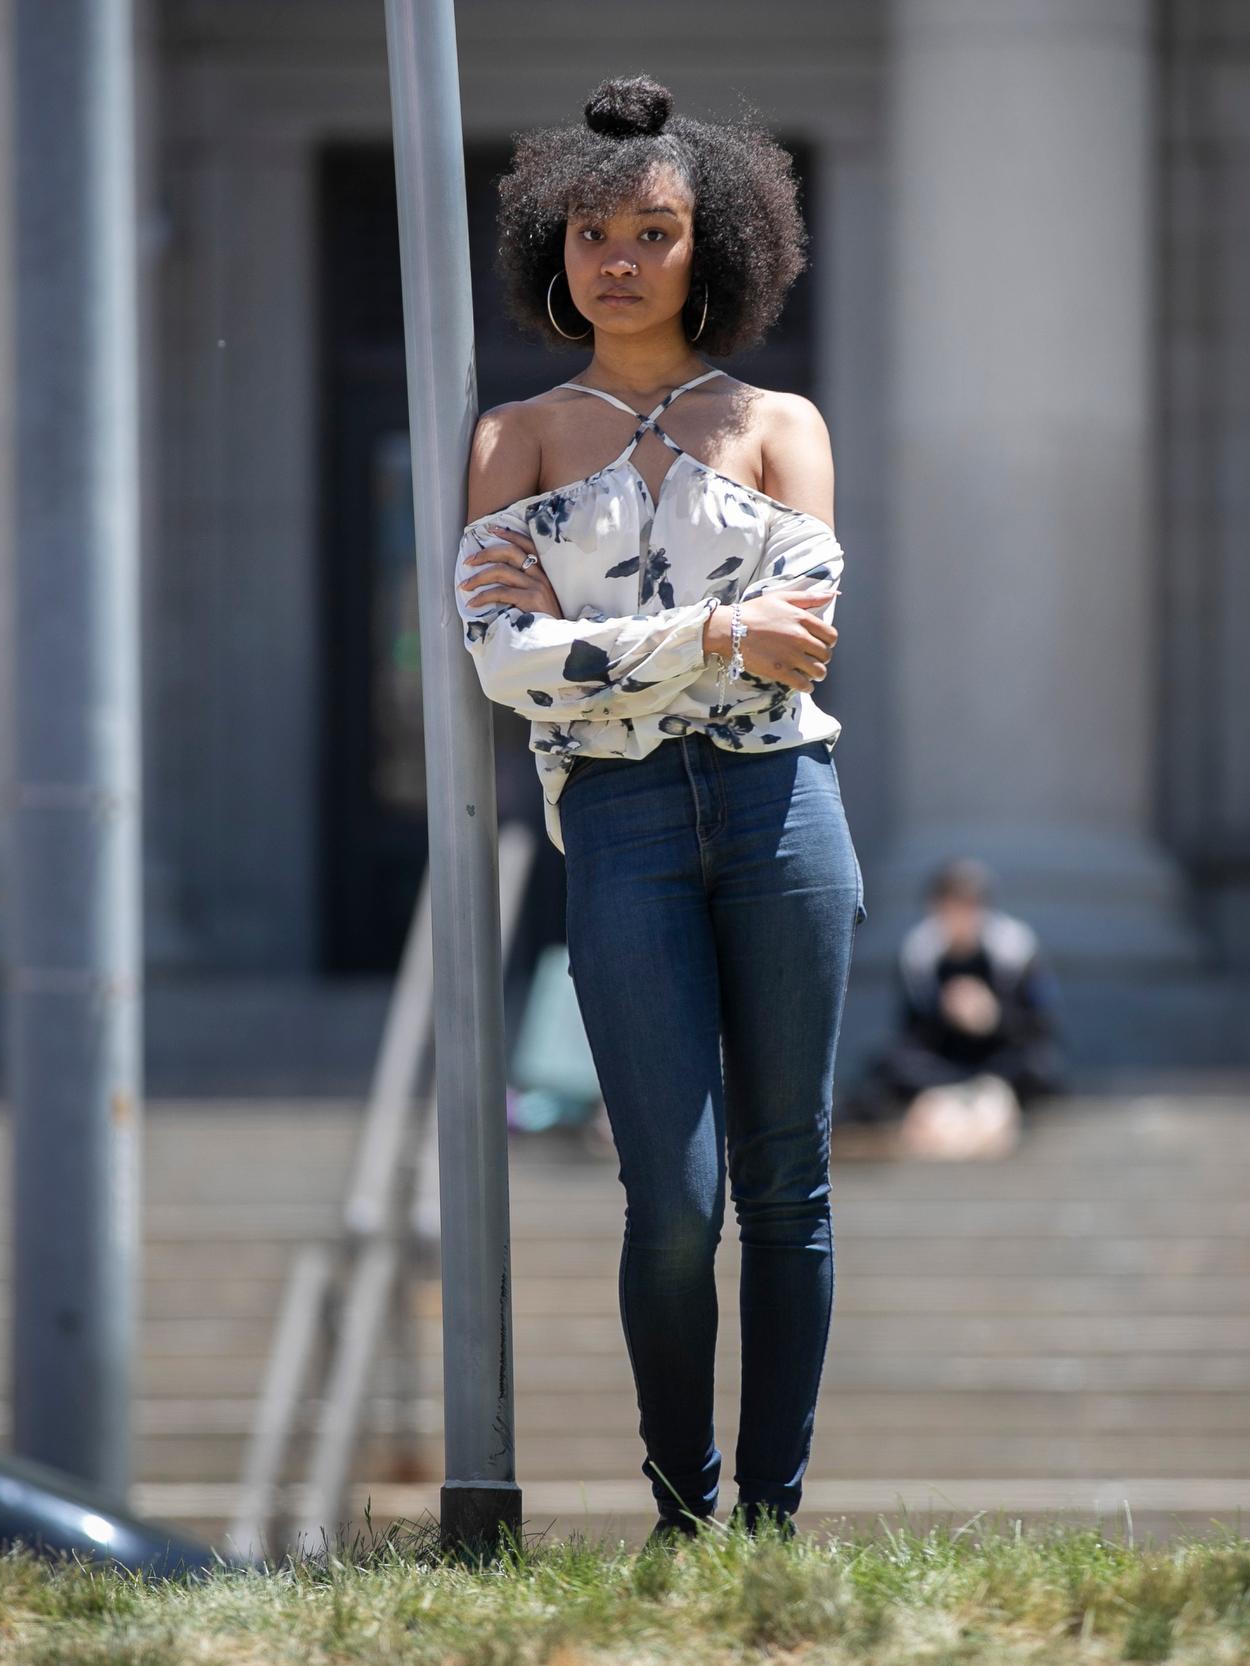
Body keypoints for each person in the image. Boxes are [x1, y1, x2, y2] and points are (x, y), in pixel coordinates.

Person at [451, 74, 858, 1550]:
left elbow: (805, 636)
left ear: (718, 246)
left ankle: (769, 1525)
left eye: (654, 230)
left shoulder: (781, 424)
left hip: (783, 814)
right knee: (673, 1197)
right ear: (551, 250)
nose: (616, 257)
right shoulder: (516, 437)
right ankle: (682, 1514)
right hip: (618, 830)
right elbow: (505, 662)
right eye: (590, 231)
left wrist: (611, 650)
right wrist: (707, 637)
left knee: (787, 1181)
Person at [844, 859, 1065, 1159]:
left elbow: (1039, 1027)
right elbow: (911, 1033)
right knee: (886, 1063)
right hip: (943, 1062)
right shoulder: (919, 954)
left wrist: (993, 1018)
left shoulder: (1016, 950)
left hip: (1000, 1059)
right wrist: (944, 1012)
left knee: (1039, 1066)